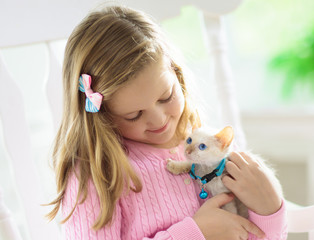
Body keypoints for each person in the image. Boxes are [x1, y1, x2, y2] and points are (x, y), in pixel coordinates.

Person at [47, 4, 287, 240]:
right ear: (102, 114)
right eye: (134, 115)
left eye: (166, 97)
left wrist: (269, 210)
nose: (159, 120)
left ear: (177, 74)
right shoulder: (98, 176)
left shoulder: (206, 148)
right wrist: (195, 233)